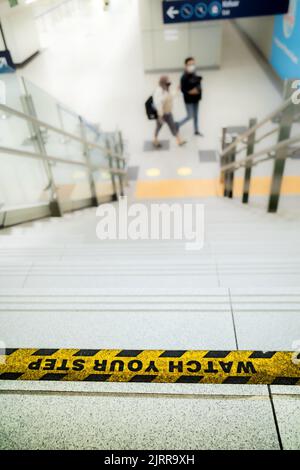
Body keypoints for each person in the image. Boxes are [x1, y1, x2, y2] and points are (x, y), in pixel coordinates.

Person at [153, 76, 186, 148]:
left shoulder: (167, 89)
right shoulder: (159, 91)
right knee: (158, 127)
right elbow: (158, 103)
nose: (169, 83)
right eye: (168, 81)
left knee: (173, 126)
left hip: (168, 113)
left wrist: (177, 90)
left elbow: (172, 95)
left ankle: (179, 140)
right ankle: (155, 139)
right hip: (161, 114)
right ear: (163, 82)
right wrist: (160, 115)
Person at [178, 57, 203, 136]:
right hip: (189, 100)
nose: (192, 66)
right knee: (190, 116)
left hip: (196, 98)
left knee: (196, 115)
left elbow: (198, 83)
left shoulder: (194, 73)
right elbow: (182, 90)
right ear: (185, 65)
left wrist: (198, 89)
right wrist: (190, 92)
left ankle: (196, 130)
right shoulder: (183, 77)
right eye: (190, 64)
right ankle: (177, 125)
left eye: (193, 64)